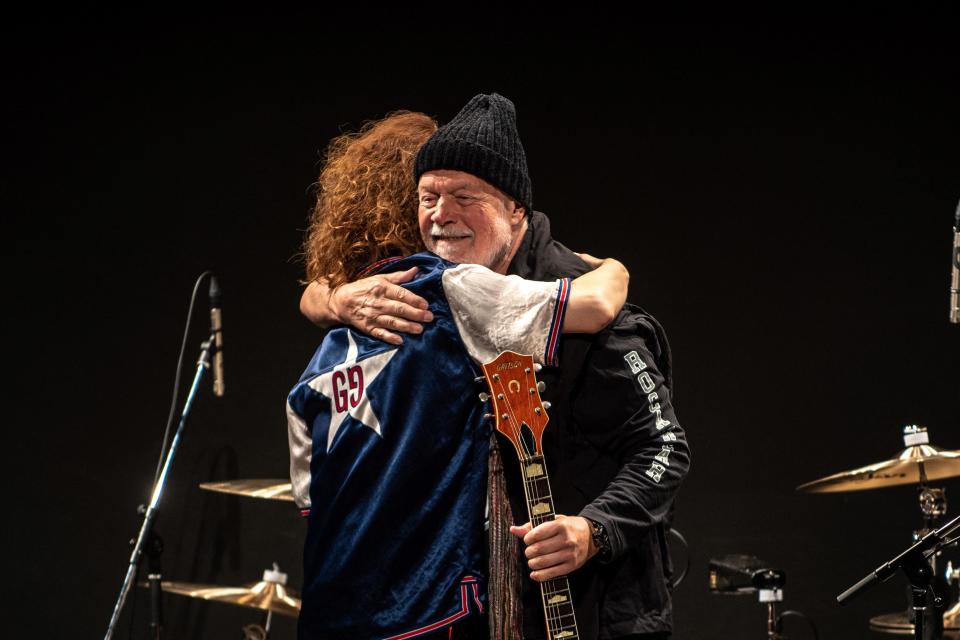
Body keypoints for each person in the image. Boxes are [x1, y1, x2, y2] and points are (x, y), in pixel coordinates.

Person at [302, 94, 690, 640]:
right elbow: (317, 290)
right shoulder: (437, 294)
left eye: (465, 196)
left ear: (516, 211)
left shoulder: (580, 307)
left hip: (597, 611)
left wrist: (593, 529)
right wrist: (334, 298)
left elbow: (665, 449)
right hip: (483, 610)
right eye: (428, 197)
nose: (441, 215)